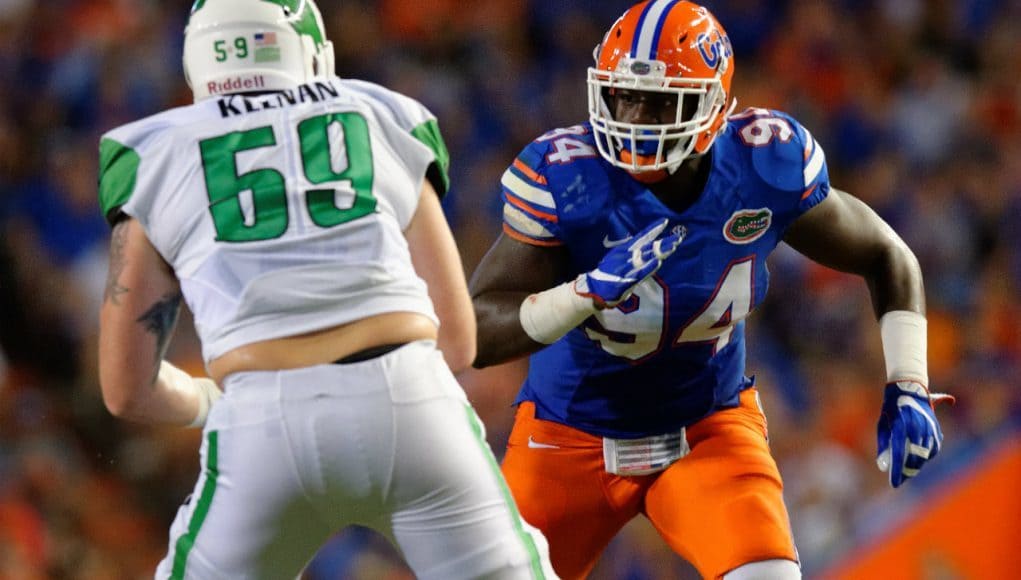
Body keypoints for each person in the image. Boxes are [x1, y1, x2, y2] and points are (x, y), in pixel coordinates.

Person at [468, 1, 953, 579]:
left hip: (708, 429)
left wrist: (909, 383)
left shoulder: (762, 166)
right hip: (566, 438)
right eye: (623, 95)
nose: (634, 117)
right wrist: (581, 295)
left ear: (713, 106)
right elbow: (475, 330)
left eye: (659, 102)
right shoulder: (567, 177)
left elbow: (886, 253)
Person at [95, 1, 556, 578]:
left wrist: (205, 403)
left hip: (262, 420)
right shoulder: (380, 112)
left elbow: (125, 390)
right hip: (411, 401)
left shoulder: (155, 152)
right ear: (306, 48)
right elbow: (458, 342)